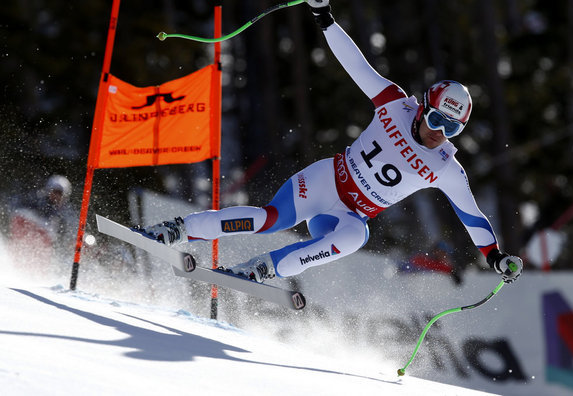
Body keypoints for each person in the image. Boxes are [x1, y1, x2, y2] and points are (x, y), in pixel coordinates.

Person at [141, 0, 523, 285]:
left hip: (347, 215)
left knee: (357, 236)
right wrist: (324, 16)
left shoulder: (446, 167)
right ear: (423, 108)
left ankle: (264, 268)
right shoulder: (394, 103)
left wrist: (495, 258)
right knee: (271, 219)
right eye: (438, 119)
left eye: (452, 129)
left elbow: (472, 216)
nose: (439, 132)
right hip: (325, 182)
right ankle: (177, 229)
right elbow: (356, 65)